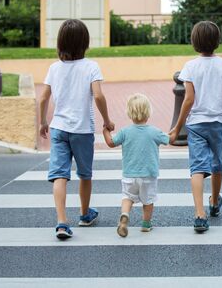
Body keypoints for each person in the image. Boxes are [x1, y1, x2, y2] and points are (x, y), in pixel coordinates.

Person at [39, 19, 115, 240]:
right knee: (85, 174)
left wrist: (44, 121)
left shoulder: (54, 68)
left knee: (59, 175)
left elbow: (44, 97)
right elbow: (99, 95)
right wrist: (107, 121)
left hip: (59, 128)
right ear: (85, 43)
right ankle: (84, 214)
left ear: (60, 42)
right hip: (82, 130)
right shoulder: (91, 66)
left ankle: (62, 222)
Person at [169, 21, 222, 233]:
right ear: (217, 41)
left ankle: (200, 215)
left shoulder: (190, 66)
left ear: (194, 42)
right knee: (217, 163)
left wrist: (177, 125)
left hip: (196, 124)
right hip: (218, 123)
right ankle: (214, 201)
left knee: (197, 168)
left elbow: (189, 99)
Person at [103, 93, 169, 237]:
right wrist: (176, 129)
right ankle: (145, 224)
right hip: (148, 175)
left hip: (129, 175)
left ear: (129, 113)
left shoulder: (125, 132)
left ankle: (125, 215)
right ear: (148, 112)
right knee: (148, 201)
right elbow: (169, 139)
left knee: (127, 197)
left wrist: (105, 131)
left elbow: (110, 143)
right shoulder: (154, 131)